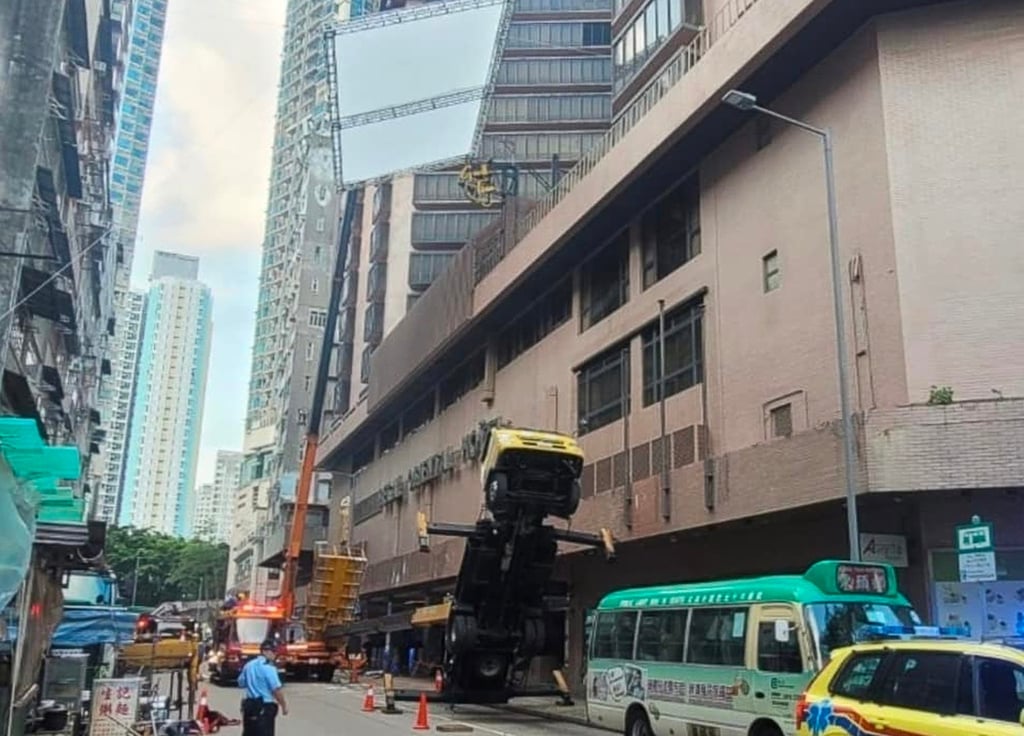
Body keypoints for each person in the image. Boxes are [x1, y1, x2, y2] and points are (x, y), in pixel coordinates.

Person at [238, 640, 288, 736]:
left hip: (249, 706)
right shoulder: (269, 668)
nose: (275, 654)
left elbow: (241, 683)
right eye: (273, 651)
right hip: (264, 707)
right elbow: (276, 689)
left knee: (248, 732)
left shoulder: (249, 665)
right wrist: (284, 706)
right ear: (265, 651)